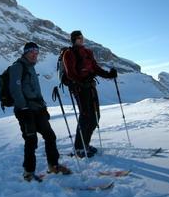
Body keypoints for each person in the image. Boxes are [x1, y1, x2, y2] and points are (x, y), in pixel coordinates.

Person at [9, 42, 71, 181]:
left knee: (50, 136)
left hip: (37, 109)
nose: (34, 55)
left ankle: (53, 165)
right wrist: (23, 108)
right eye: (32, 52)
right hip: (25, 111)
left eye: (36, 53)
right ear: (25, 52)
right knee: (31, 141)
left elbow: (36, 91)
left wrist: (43, 107)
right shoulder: (17, 67)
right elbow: (15, 89)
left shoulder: (31, 68)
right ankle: (28, 172)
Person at [63, 30, 117, 158]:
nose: (81, 39)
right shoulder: (69, 53)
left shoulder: (88, 52)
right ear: (73, 40)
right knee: (85, 116)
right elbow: (70, 73)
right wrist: (82, 81)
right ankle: (79, 148)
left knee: (95, 117)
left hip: (90, 87)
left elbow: (95, 68)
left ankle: (85, 144)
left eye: (82, 37)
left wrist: (109, 75)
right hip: (80, 89)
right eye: (78, 38)